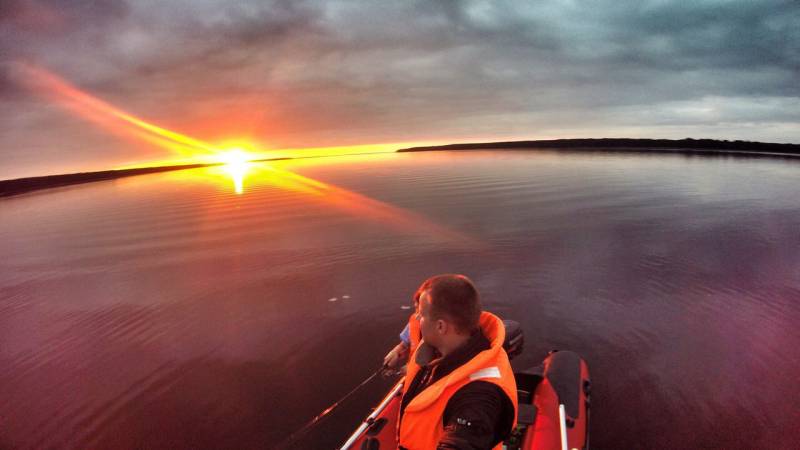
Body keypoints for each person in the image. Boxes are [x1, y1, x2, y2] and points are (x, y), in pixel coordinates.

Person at [397, 274, 518, 450]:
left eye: (421, 315)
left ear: (440, 327)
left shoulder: (479, 398)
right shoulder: (441, 347)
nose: (417, 320)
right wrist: (402, 346)